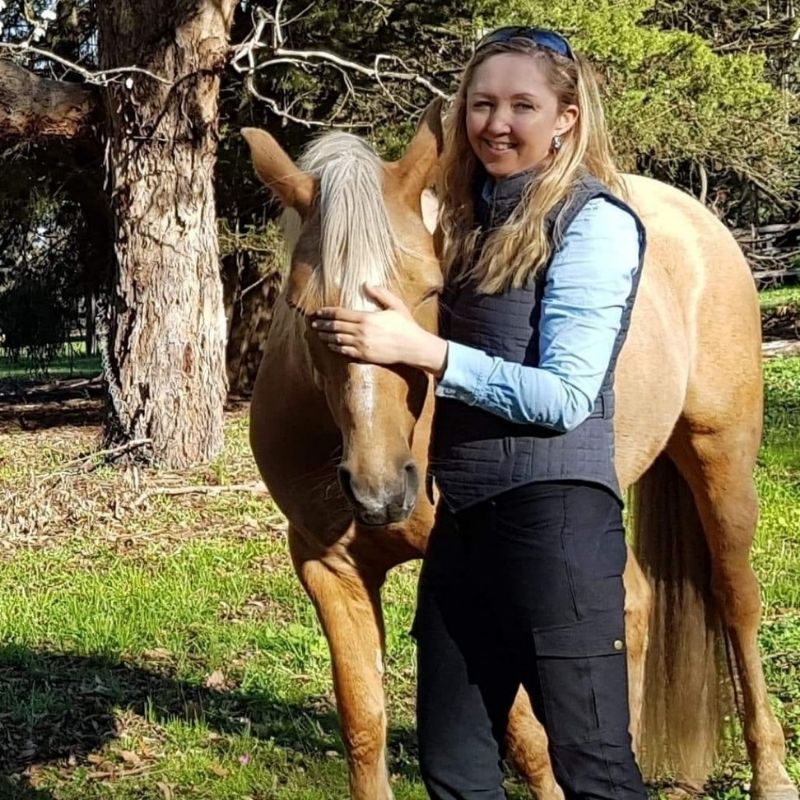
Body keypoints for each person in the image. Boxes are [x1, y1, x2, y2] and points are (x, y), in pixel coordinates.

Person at [311, 25, 648, 800]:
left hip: (557, 523)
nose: (497, 122)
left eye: (522, 105)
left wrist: (425, 352)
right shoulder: (462, 226)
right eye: (482, 103)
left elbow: (565, 396)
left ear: (567, 117)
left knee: (593, 768)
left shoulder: (594, 223)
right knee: (455, 769)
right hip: (461, 527)